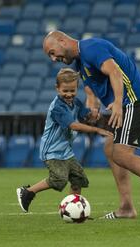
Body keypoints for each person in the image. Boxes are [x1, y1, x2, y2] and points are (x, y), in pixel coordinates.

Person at [43, 31, 140, 219]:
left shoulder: (91, 47)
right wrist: (92, 109)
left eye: (52, 52)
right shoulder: (80, 63)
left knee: (121, 153)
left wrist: (117, 102)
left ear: (62, 41)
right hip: (130, 104)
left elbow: (114, 71)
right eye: (50, 56)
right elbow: (91, 92)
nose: (53, 59)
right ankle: (126, 208)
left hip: (138, 101)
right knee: (110, 147)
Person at [16, 68, 113, 213]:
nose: (69, 94)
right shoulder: (57, 107)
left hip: (65, 151)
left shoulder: (76, 103)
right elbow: (73, 125)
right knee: (59, 179)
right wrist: (97, 130)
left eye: (72, 90)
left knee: (78, 179)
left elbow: (85, 118)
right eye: (65, 91)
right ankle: (28, 192)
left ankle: (72, 209)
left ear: (77, 88)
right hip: (51, 151)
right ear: (57, 88)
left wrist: (94, 115)